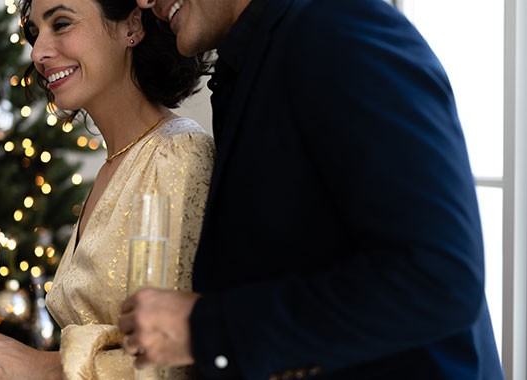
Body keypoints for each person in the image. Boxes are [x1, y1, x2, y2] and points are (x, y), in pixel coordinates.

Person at [118, 0, 505, 379]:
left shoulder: (339, 30)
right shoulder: (250, 68)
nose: (144, 1)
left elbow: (438, 279)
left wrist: (206, 329)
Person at [0, 0, 214, 378]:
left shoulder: (177, 155)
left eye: (61, 23)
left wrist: (42, 369)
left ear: (132, 27)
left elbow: (171, 363)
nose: (39, 52)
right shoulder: (117, 164)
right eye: (34, 32)